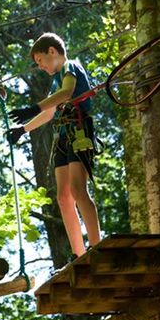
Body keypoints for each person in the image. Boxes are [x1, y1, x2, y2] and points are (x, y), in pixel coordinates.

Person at [6, 33, 101, 258]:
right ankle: (80, 254)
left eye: (40, 61)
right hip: (63, 136)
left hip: (79, 130)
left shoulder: (70, 66)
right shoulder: (56, 81)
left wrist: (34, 107)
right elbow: (50, 112)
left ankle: (97, 247)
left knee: (78, 190)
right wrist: (23, 130)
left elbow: (67, 93)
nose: (40, 67)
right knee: (63, 197)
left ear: (52, 51)